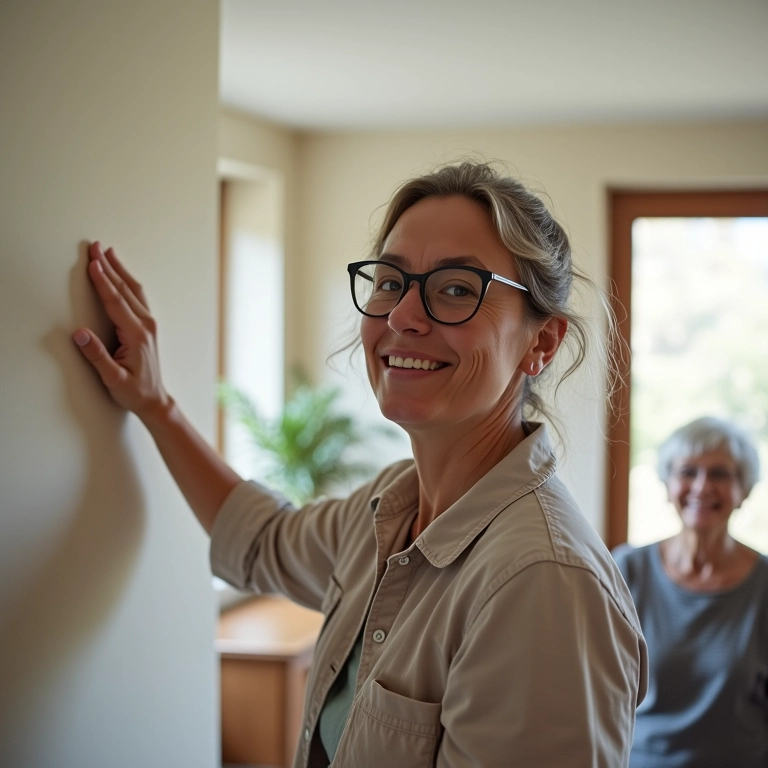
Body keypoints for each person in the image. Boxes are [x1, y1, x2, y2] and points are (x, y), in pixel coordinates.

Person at [73, 161, 647, 767]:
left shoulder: (542, 582)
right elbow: (263, 539)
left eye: (456, 288)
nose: (403, 317)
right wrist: (155, 405)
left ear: (542, 343)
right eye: (391, 283)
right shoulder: (390, 508)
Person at [613, 416, 768, 768]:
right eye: (687, 472)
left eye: (720, 474)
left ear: (743, 489)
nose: (701, 487)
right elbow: (596, 691)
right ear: (668, 485)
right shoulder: (626, 570)